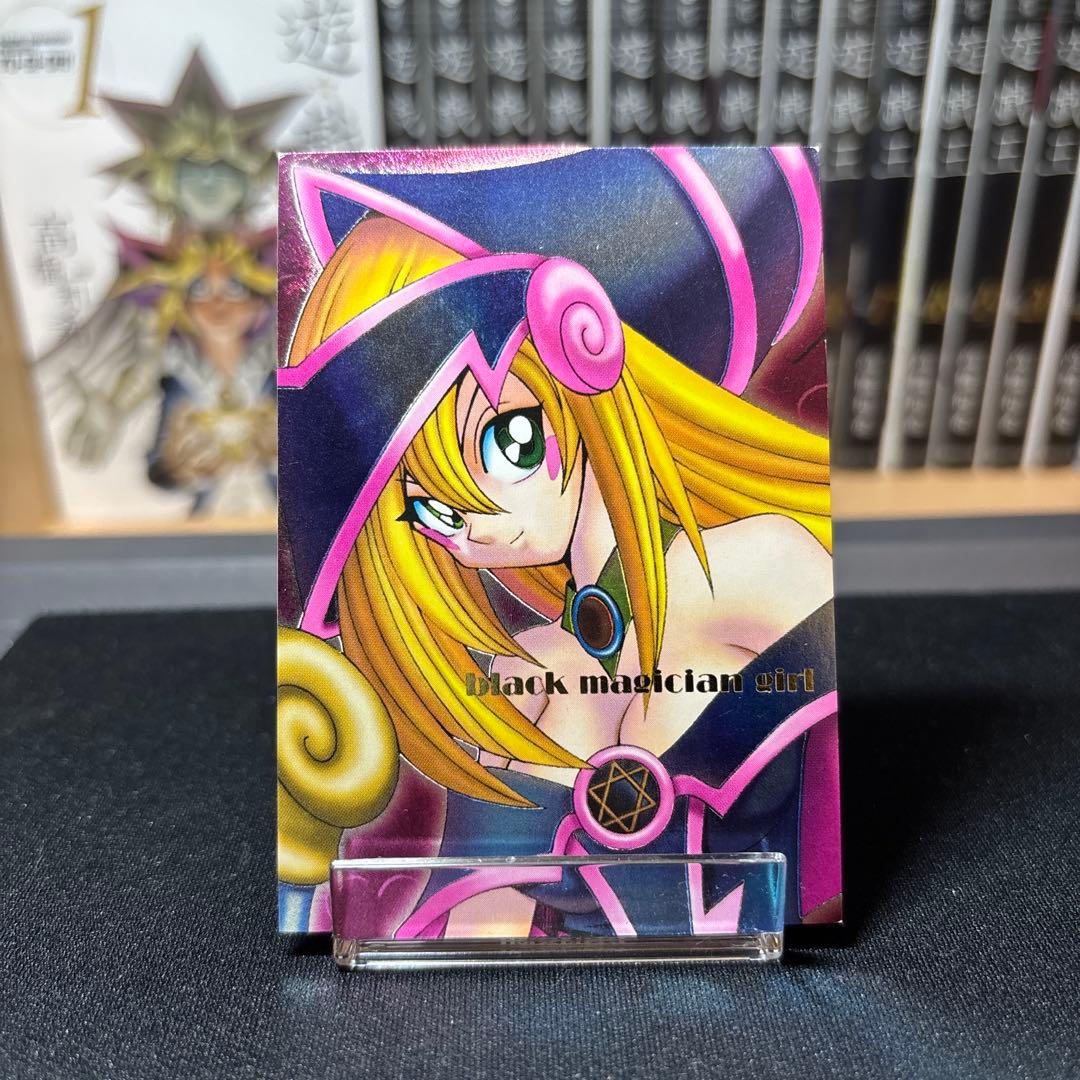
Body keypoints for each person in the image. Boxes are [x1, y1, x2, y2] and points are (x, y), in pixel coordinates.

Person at [277, 148, 841, 936]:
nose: (475, 523)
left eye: (505, 442)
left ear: (584, 366)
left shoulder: (757, 568)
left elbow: (831, 830)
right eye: (430, 508)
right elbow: (481, 930)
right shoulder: (526, 677)